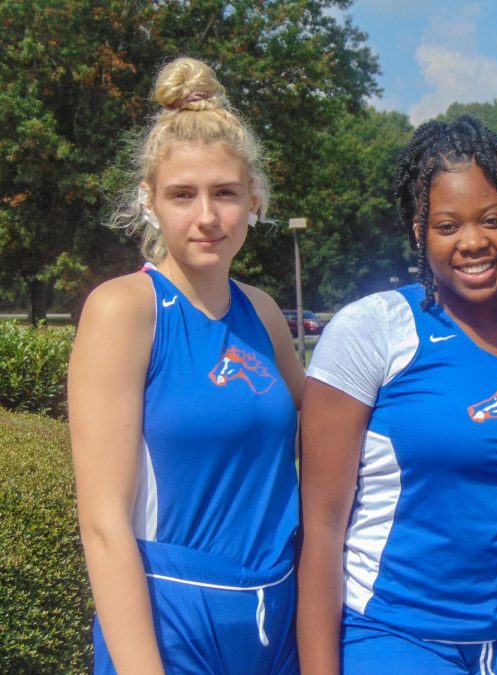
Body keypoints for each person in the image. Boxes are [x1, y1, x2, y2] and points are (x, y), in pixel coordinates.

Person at [298, 114, 497, 674]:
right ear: (418, 232)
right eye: (447, 225)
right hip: (399, 635)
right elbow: (323, 528)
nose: (474, 241)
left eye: (492, 220)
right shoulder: (372, 330)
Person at [68, 57, 304, 674]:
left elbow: (331, 435)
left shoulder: (263, 313)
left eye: (225, 192)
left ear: (254, 198)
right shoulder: (125, 311)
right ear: (148, 201)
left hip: (277, 617)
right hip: (172, 621)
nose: (207, 216)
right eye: (182, 195)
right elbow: (103, 526)